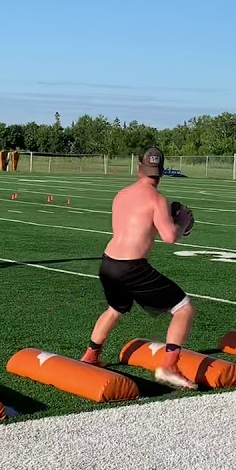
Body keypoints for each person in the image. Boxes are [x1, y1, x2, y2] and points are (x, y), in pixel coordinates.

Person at [82, 146, 197, 390]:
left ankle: (91, 355)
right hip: (131, 267)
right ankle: (169, 365)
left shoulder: (121, 194)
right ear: (161, 172)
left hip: (108, 261)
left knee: (115, 308)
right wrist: (182, 223)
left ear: (138, 168)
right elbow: (169, 237)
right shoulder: (157, 199)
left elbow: (130, 227)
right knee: (183, 308)